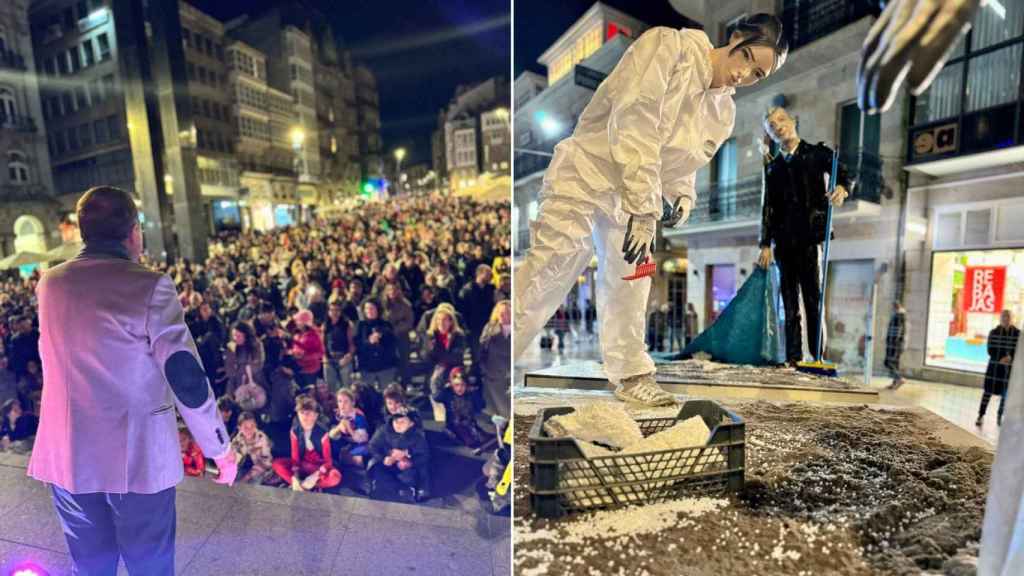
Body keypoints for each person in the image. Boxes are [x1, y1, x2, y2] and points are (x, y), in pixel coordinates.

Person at [513, 16, 788, 407]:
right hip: (588, 174)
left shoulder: (722, 113)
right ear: (735, 37)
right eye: (745, 56)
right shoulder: (668, 48)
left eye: (757, 73)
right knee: (550, 269)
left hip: (634, 197)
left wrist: (683, 195)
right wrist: (645, 210)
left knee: (633, 279)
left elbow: (685, 160)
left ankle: (631, 374)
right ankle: (497, 356)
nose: (743, 73)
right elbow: (635, 122)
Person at [27, 186, 235, 575]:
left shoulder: (50, 284)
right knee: (150, 565)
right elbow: (184, 374)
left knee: (90, 567)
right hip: (137, 458)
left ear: (83, 232)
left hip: (69, 455)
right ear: (134, 231)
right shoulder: (150, 286)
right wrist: (219, 449)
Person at [756, 106, 851, 367]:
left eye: (781, 120)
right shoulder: (773, 168)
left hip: (810, 239)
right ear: (770, 135)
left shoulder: (816, 153)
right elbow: (768, 208)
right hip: (784, 243)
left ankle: (817, 356)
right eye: (771, 126)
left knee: (813, 299)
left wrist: (842, 187)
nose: (778, 126)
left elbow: (843, 171)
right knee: (789, 303)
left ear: (793, 121)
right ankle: (793, 358)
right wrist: (765, 243)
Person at [272, 395, 342, 492]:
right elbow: (295, 458)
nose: (304, 416)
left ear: (315, 415)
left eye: (308, 413)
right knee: (277, 464)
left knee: (335, 477)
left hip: (318, 467)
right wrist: (295, 477)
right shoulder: (295, 431)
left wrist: (315, 476)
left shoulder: (322, 432)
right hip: (302, 464)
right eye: (302, 413)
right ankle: (298, 484)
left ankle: (309, 485)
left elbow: (328, 461)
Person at [368, 412, 431, 503]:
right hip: (388, 462)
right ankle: (394, 488)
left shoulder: (417, 436)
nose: (398, 425)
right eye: (396, 421)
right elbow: (372, 446)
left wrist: (410, 460)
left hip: (408, 466)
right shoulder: (384, 430)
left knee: (418, 472)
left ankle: (418, 489)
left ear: (411, 424)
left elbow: (425, 454)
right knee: (377, 469)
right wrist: (383, 458)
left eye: (402, 422)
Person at [977, 310, 1019, 427]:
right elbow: (990, 349)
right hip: (994, 367)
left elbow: (1020, 350)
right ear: (1000, 318)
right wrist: (1001, 358)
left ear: (1012, 318)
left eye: (1008, 317)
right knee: (987, 392)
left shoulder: (1017, 333)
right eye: (1003, 317)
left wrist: (1010, 357)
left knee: (1005, 394)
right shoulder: (994, 332)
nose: (1006, 319)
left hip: (1009, 370)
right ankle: (980, 415)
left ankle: (999, 416)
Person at [432, 368, 487, 449]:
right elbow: (436, 397)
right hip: (454, 425)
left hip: (470, 424)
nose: (459, 388)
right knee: (468, 441)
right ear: (451, 385)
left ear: (467, 385)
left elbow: (481, 405)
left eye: (463, 385)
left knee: (482, 438)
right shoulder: (448, 393)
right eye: (456, 385)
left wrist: (475, 392)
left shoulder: (470, 394)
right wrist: (443, 387)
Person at [355, 300, 399, 391]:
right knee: (368, 395)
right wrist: (369, 341)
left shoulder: (386, 325)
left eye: (372, 308)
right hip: (367, 367)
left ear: (378, 310)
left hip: (385, 367)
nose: (369, 311)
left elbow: (392, 343)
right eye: (367, 308)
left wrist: (382, 337)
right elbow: (357, 345)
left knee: (388, 394)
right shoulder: (360, 326)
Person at [479, 300, 511, 418]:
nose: (504, 315)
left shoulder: (519, 328)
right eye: (501, 313)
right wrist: (484, 369)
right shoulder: (490, 328)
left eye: (507, 312)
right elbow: (482, 350)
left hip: (510, 375)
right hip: (494, 375)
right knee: (500, 411)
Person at [327, 388, 370, 468]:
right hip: (342, 446)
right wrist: (339, 427)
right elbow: (330, 435)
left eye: (346, 401)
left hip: (357, 445)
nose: (342, 405)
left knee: (363, 456)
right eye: (340, 401)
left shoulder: (358, 416)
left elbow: (362, 439)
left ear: (353, 403)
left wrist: (349, 428)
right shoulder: (336, 415)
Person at [231, 411, 275, 485]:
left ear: (256, 425)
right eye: (245, 427)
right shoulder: (237, 440)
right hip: (244, 467)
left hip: (262, 469)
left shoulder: (262, 438)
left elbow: (265, 463)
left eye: (252, 426)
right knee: (233, 481)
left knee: (253, 484)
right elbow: (233, 459)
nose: (249, 430)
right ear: (239, 428)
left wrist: (247, 476)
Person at [323, 301, 356, 394]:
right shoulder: (325, 325)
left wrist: (349, 356)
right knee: (331, 389)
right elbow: (322, 343)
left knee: (347, 388)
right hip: (329, 359)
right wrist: (325, 357)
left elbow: (352, 343)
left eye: (337, 310)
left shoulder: (346, 325)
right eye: (332, 310)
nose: (334, 312)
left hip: (344, 358)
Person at [288, 309, 325, 388]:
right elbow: (295, 346)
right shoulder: (297, 333)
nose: (296, 323)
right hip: (298, 369)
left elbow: (320, 352)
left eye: (298, 321)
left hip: (310, 371)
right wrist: (292, 353)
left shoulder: (314, 335)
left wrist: (305, 357)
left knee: (309, 392)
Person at [884, 302, 909, 390]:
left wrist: (893, 342)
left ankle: (899, 378)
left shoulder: (899, 316)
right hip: (897, 344)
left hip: (894, 344)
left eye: (893, 306)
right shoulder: (901, 315)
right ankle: (895, 383)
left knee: (888, 362)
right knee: (895, 364)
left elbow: (898, 331)